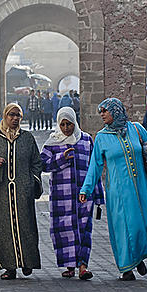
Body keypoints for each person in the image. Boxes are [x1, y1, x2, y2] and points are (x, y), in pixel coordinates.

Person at [79, 97, 147, 281]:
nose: (102, 115)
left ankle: (138, 257)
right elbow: (95, 166)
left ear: (116, 110)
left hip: (140, 187)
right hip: (117, 192)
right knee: (121, 228)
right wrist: (86, 189)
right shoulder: (102, 137)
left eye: (105, 110)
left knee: (141, 224)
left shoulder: (136, 129)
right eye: (100, 112)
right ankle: (126, 267)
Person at [0, 103, 42, 280]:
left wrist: (31, 182)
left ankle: (27, 262)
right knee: (2, 229)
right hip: (0, 193)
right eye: (11, 115)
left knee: (26, 227)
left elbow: (37, 162)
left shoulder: (27, 138)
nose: (14, 119)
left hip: (23, 193)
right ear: (5, 116)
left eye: (18, 116)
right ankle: (9, 267)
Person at [41, 106, 103, 280]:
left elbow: (94, 169)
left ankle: (83, 266)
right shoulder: (53, 142)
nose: (66, 128)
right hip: (62, 196)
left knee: (84, 228)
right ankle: (69, 266)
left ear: (74, 122)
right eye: (63, 124)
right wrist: (61, 159)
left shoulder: (85, 140)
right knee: (64, 229)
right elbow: (43, 165)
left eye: (69, 124)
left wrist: (98, 195)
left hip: (84, 194)